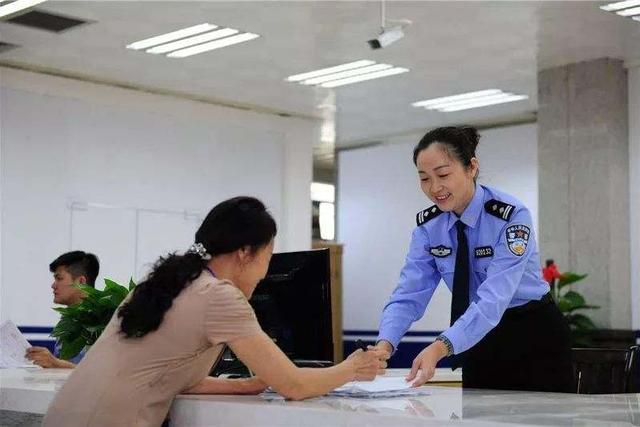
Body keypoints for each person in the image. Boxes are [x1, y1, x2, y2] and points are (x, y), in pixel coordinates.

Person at [44, 197, 385, 427]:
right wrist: (352, 368)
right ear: (244, 253)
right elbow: (293, 385)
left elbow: (172, 377)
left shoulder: (164, 282)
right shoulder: (219, 296)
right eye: (268, 257)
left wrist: (247, 386)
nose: (266, 271)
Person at [374, 126, 573, 392]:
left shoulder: (511, 216)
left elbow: (494, 299)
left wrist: (441, 346)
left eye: (443, 174)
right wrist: (384, 344)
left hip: (532, 335)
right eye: (424, 178)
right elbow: (410, 292)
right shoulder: (429, 227)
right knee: (478, 413)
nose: (435, 187)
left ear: (472, 167)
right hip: (477, 338)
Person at [26, 250, 100, 368]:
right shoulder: (68, 318)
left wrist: (55, 363)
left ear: (81, 282)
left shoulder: (101, 321)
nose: (53, 285)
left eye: (59, 278)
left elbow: (99, 373)